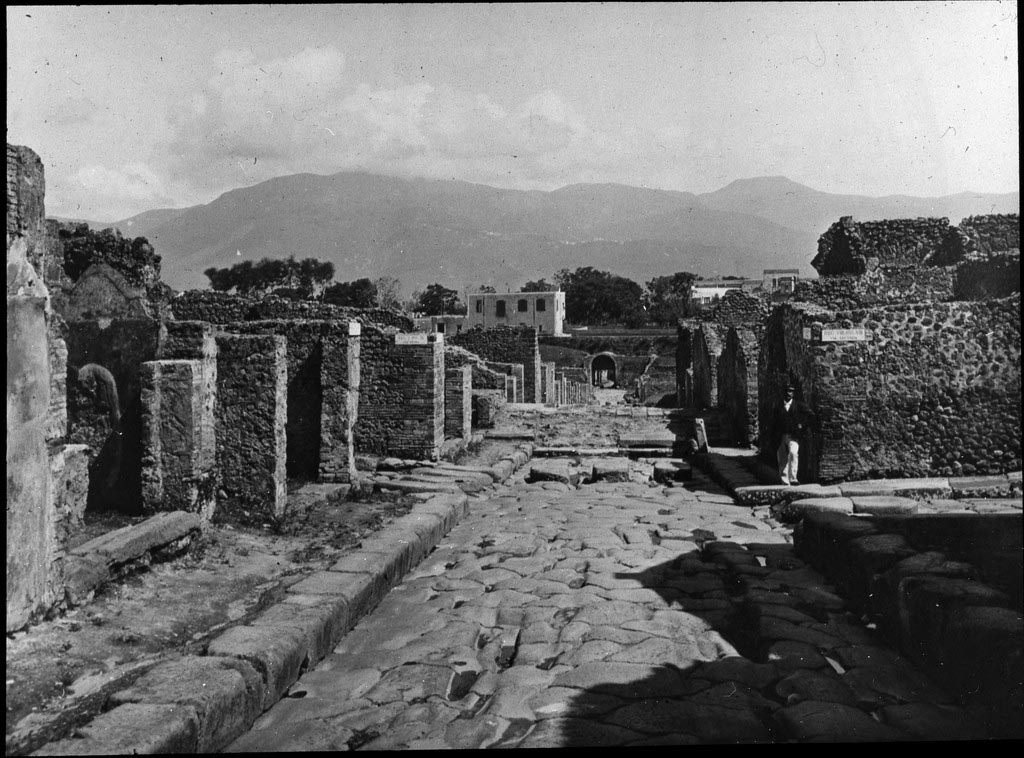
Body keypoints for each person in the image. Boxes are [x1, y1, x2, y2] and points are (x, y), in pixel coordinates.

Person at [775, 382, 809, 485]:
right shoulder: (778, 406)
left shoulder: (798, 405)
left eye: (790, 391)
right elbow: (773, 421)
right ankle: (785, 481)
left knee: (793, 453)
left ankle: (793, 478)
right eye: (786, 391)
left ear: (793, 394)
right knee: (782, 459)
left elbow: (810, 415)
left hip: (793, 436)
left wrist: (802, 425)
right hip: (781, 435)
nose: (788, 393)